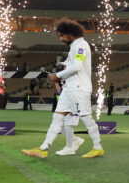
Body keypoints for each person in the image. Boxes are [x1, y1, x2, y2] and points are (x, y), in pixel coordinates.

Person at [21, 19, 104, 159]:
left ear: (70, 33)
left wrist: (57, 75)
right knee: (57, 117)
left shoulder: (81, 46)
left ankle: (98, 147)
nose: (61, 39)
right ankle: (44, 148)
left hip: (79, 89)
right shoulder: (75, 47)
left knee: (86, 118)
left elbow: (77, 67)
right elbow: (73, 66)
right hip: (69, 88)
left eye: (62, 35)